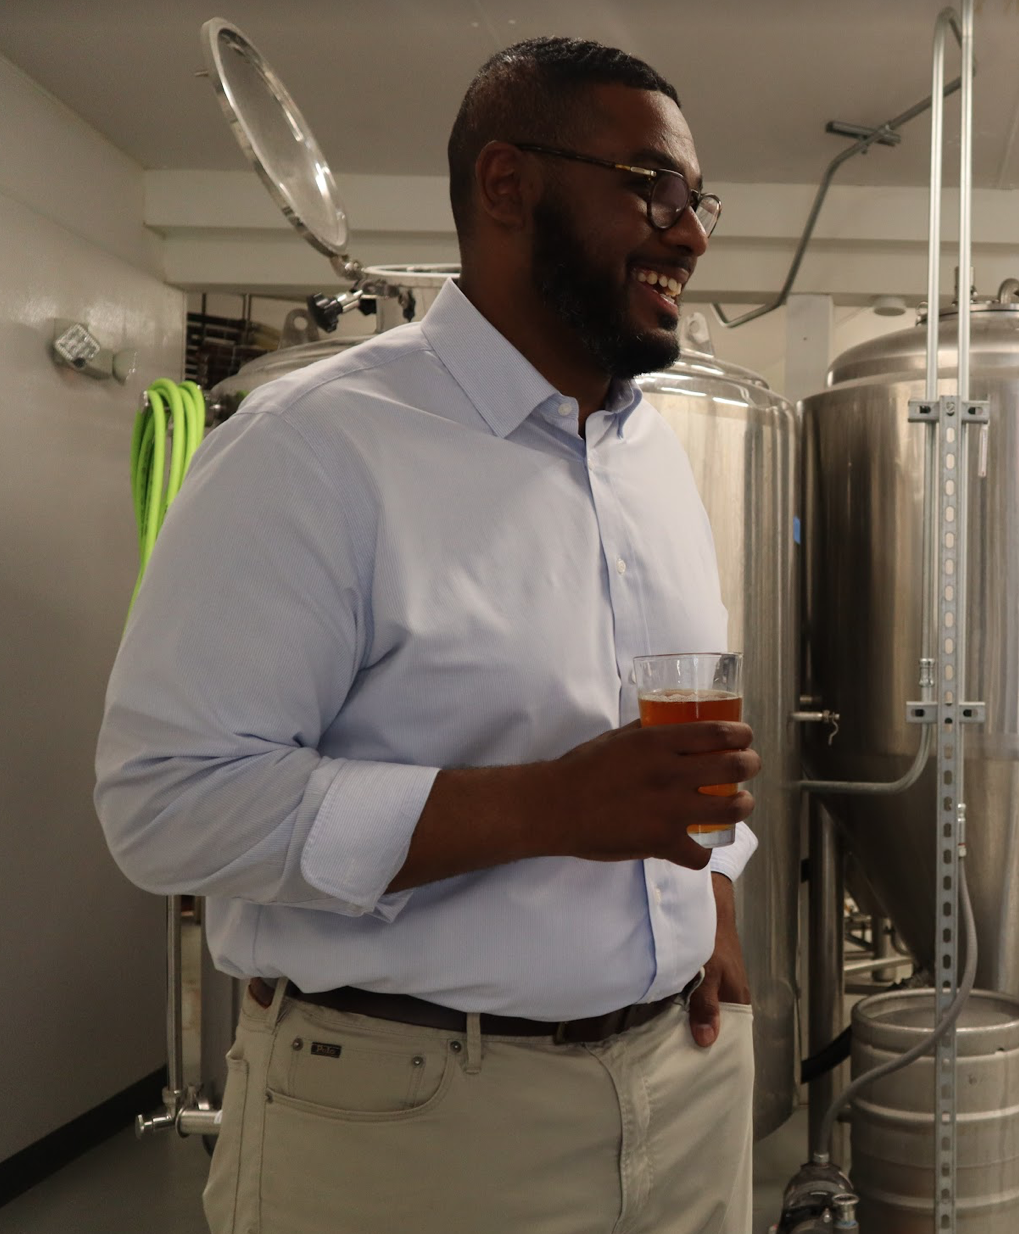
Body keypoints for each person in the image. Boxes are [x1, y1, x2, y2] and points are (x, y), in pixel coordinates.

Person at [95, 38, 761, 1234]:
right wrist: (549, 809)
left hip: (685, 1090)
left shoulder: (648, 450)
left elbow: (668, 739)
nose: (690, 232)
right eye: (651, 186)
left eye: (695, 198)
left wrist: (710, 899)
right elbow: (165, 802)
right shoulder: (316, 445)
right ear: (507, 185)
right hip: (416, 1128)